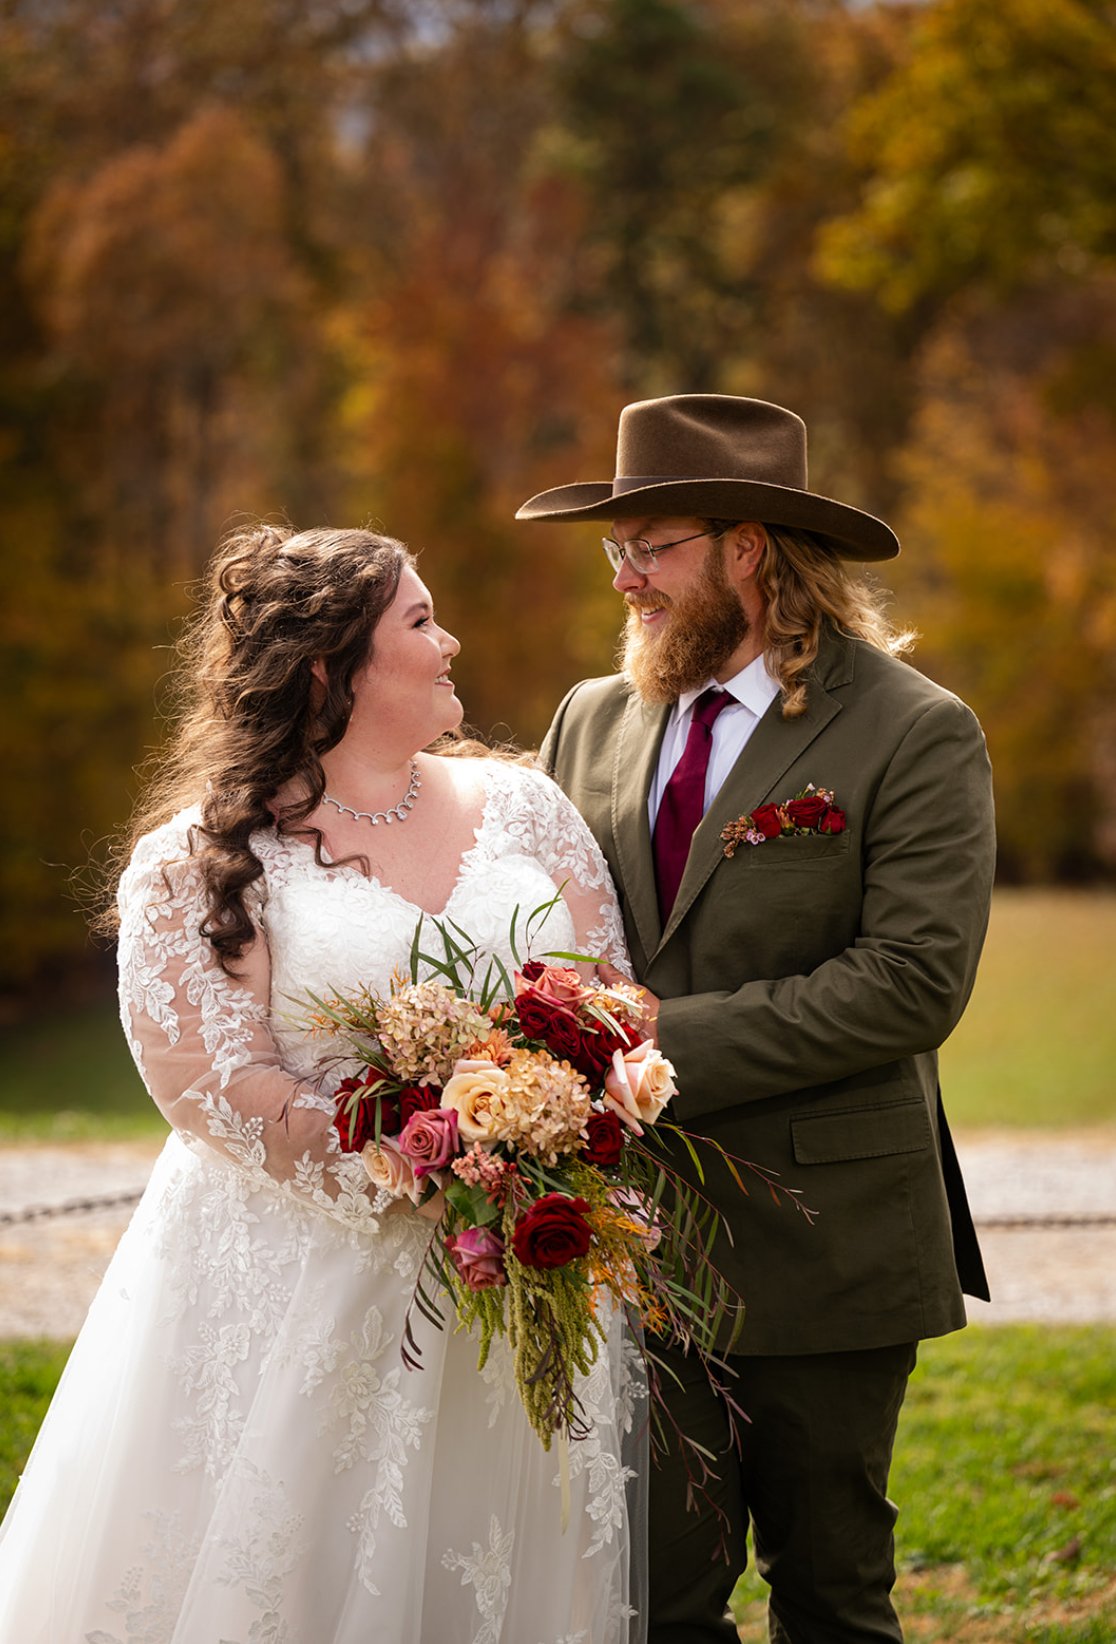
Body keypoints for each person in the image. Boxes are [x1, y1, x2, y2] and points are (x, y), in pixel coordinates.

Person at [0, 524, 648, 1643]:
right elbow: (212, 1084)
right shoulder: (201, 860)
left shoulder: (530, 812)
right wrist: (414, 1161)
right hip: (303, 1293)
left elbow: (614, 1008)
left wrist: (553, 1135)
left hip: (518, 1270)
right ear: (330, 669)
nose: (451, 643)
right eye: (419, 622)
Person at [515, 394, 996, 1644]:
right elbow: (540, 935)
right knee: (652, 1604)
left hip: (828, 1240)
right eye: (615, 550)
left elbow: (913, 981)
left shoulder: (915, 729)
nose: (625, 579)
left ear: (749, 550)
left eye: (651, 545)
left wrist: (650, 1044)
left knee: (831, 1596)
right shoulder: (590, 717)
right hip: (626, 1240)